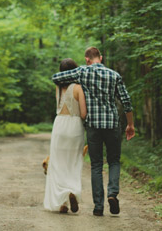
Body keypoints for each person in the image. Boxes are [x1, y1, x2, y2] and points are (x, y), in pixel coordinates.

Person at [51, 47, 135, 217]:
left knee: (96, 165)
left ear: (87, 59)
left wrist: (75, 73)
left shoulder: (82, 72)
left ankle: (98, 207)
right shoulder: (114, 75)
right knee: (114, 162)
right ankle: (112, 194)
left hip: (94, 126)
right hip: (112, 124)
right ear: (101, 58)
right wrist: (130, 125)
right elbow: (126, 101)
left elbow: (56, 78)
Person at [43, 58, 87, 214]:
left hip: (59, 125)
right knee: (73, 162)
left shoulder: (58, 87)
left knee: (59, 163)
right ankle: (72, 190)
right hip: (75, 126)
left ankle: (62, 202)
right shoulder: (78, 88)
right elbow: (83, 113)